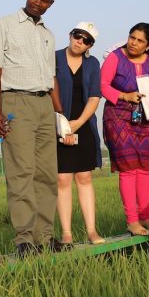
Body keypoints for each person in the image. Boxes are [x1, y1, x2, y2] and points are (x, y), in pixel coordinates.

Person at [0, 0, 64, 256]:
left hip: (44, 105)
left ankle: (45, 236)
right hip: (15, 102)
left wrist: (60, 114)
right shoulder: (5, 25)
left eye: (45, 0)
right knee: (22, 172)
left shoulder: (48, 35)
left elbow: (52, 77)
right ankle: (24, 239)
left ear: (50, 4)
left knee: (46, 174)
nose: (39, 2)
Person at [100, 22, 149, 236]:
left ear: (147, 45)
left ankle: (145, 217)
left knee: (144, 167)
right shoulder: (115, 57)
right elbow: (102, 86)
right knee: (128, 168)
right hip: (118, 116)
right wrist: (124, 96)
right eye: (132, 38)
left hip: (146, 116)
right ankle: (132, 221)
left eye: (139, 41)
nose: (134, 43)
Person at [54, 22, 105, 246]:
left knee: (84, 176)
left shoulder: (93, 64)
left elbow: (95, 96)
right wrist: (63, 125)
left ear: (90, 45)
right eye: (77, 36)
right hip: (57, 121)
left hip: (83, 124)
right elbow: (47, 90)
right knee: (62, 178)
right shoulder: (53, 57)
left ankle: (91, 230)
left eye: (86, 40)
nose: (80, 42)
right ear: (70, 34)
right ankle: (66, 234)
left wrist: (77, 124)